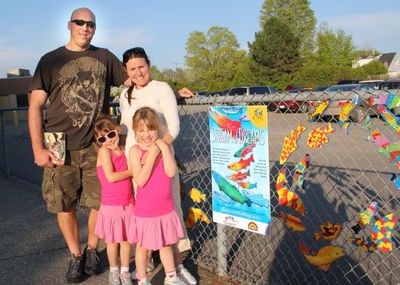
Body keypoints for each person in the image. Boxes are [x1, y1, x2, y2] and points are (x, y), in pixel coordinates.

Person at [28, 7, 128, 283]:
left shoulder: (104, 57)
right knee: (64, 204)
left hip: (98, 143)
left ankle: (93, 249)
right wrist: (39, 149)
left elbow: (133, 82)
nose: (86, 28)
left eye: (91, 24)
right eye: (80, 22)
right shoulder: (50, 60)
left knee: (101, 202)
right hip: (59, 145)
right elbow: (35, 107)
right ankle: (75, 256)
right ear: (69, 25)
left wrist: (166, 92)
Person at [120, 47, 197, 284]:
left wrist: (155, 151)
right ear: (126, 71)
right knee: (143, 216)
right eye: (132, 68)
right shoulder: (125, 94)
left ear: (149, 65)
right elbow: (125, 126)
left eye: (141, 66)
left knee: (169, 212)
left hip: (161, 162)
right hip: (136, 164)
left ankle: (176, 266)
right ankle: (147, 265)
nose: (138, 72)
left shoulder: (162, 89)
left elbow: (173, 127)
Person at [128, 107, 184, 285]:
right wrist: (152, 153)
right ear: (135, 131)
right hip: (145, 211)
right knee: (142, 248)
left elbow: (170, 171)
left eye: (150, 129)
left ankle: (171, 277)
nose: (147, 134)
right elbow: (141, 179)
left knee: (166, 245)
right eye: (141, 130)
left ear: (158, 128)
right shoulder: (135, 151)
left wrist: (162, 147)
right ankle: (143, 279)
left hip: (165, 209)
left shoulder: (162, 146)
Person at [93, 116, 134, 285]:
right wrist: (133, 171)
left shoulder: (125, 149)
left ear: (117, 130)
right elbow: (111, 177)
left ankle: (125, 271)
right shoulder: (104, 152)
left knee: (125, 241)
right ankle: (113, 271)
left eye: (110, 134)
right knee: (112, 241)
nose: (108, 140)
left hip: (128, 202)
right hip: (111, 206)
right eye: (102, 139)